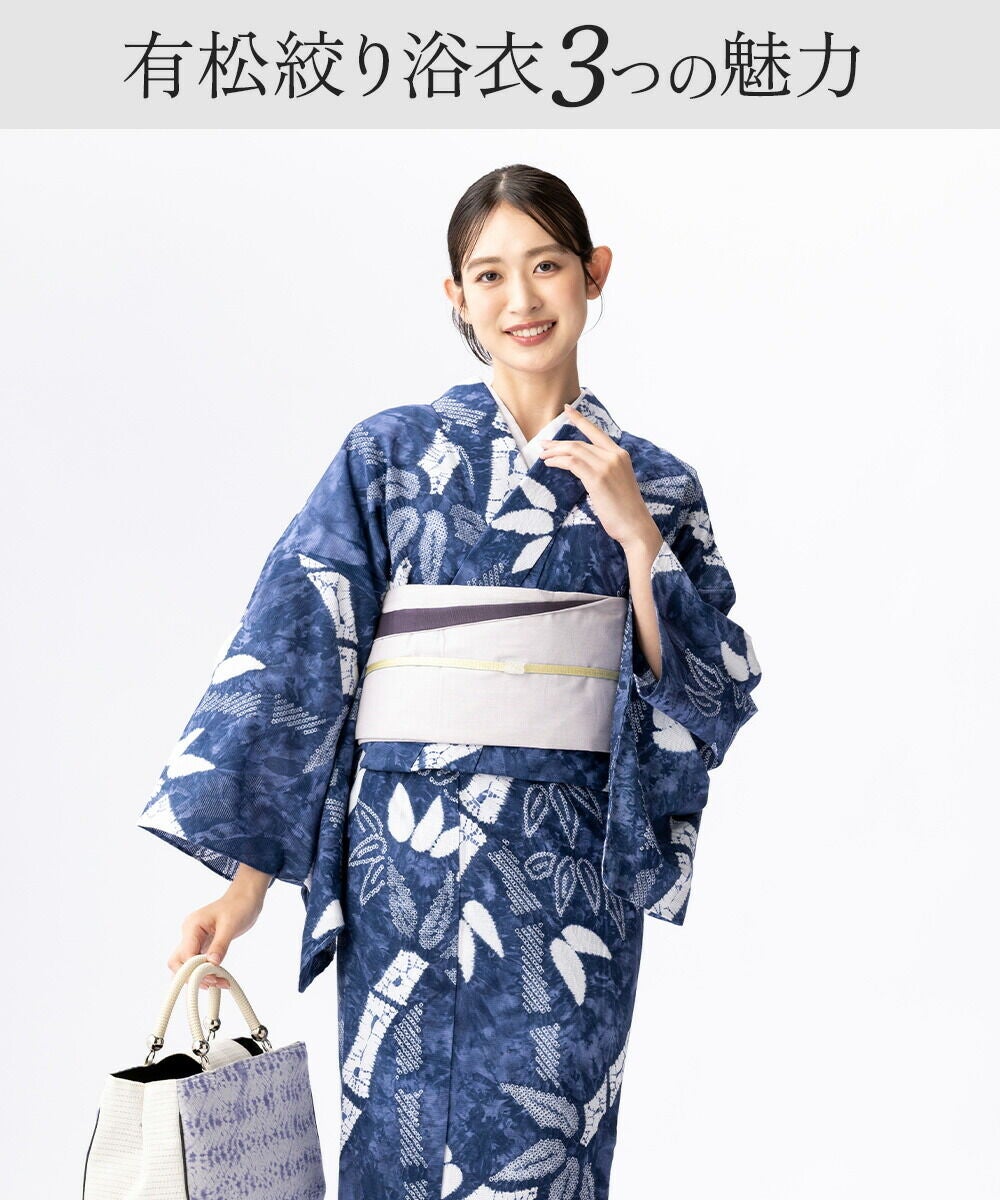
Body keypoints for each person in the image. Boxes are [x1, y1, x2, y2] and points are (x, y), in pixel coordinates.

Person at [138, 162, 762, 1200]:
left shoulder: (655, 482)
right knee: (396, 1147)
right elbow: (304, 656)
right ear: (456, 298)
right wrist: (243, 892)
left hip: (567, 876)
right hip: (404, 862)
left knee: (543, 1158)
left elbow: (707, 692)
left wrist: (636, 535)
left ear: (594, 273)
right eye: (490, 275)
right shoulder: (388, 456)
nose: (522, 299)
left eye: (547, 266)